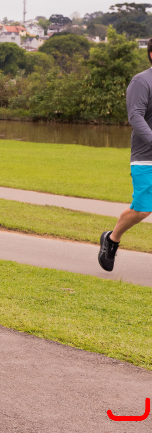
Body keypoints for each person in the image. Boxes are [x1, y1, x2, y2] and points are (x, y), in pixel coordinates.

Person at [99, 39, 152, 272]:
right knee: (142, 209)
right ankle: (112, 239)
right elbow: (135, 116)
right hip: (146, 157)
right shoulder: (141, 81)